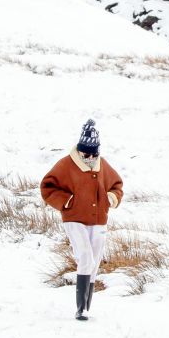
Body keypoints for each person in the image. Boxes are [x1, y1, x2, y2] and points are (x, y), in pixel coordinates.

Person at [40, 119, 123, 320]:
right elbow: (47, 187)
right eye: (87, 154)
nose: (90, 158)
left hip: (99, 220)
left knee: (94, 262)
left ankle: (86, 307)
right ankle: (80, 309)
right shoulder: (66, 164)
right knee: (85, 256)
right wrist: (67, 201)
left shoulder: (102, 164)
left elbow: (117, 185)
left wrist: (110, 199)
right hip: (74, 218)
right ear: (80, 149)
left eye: (94, 154)